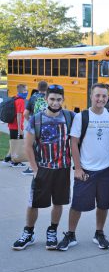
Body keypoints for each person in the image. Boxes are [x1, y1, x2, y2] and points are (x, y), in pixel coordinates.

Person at [12, 84, 74, 251]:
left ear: (63, 100)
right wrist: (35, 169)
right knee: (34, 203)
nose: (55, 102)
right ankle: (29, 233)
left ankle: (52, 231)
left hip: (63, 168)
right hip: (43, 168)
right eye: (52, 99)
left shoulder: (70, 117)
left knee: (59, 202)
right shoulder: (36, 119)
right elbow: (28, 146)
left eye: (58, 99)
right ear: (46, 99)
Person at [56, 83, 109, 251]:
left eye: (104, 96)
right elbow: (73, 143)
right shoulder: (81, 117)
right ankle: (70, 234)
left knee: (104, 204)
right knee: (77, 205)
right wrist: (78, 168)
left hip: (107, 169)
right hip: (86, 170)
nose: (101, 99)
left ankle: (99, 233)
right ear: (91, 96)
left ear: (107, 97)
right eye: (97, 95)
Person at [22, 81, 48, 175]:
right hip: (48, 125)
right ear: (47, 88)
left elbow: (25, 113)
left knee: (33, 146)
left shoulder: (33, 98)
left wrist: (30, 121)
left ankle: (32, 168)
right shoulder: (49, 98)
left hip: (36, 126)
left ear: (38, 88)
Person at [3, 84, 28, 167]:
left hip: (11, 125)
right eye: (25, 90)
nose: (27, 92)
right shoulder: (20, 101)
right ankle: (15, 162)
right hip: (16, 126)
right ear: (22, 91)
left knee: (14, 142)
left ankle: (7, 158)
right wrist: (20, 129)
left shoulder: (15, 97)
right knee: (18, 144)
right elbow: (19, 115)